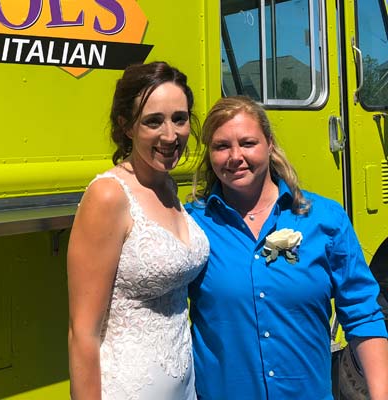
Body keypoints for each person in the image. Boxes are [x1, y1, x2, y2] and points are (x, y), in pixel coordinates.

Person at [186, 95, 388, 400]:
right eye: (221, 146)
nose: (235, 156)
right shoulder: (193, 226)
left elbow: (362, 314)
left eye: (248, 143)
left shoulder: (323, 219)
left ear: (269, 143)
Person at [67, 61, 209, 400]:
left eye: (180, 118)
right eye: (153, 122)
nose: (171, 135)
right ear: (126, 127)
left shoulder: (169, 187)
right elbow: (82, 333)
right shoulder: (109, 195)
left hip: (184, 386)